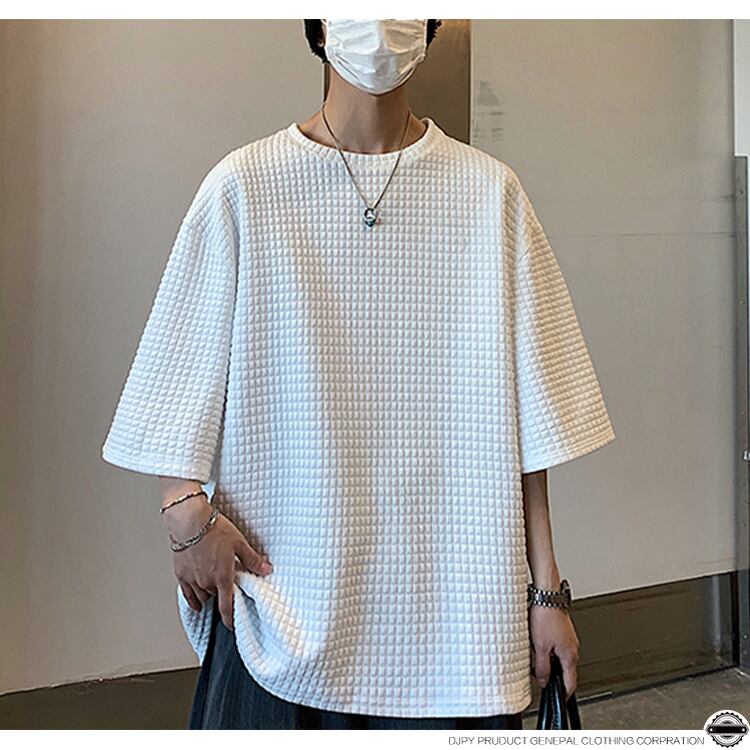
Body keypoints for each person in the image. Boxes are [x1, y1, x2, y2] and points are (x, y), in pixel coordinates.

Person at [101, 18, 616, 730]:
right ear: (316, 24)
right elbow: (174, 368)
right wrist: (185, 512)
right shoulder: (245, 187)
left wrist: (547, 593)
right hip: (282, 604)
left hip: (454, 622)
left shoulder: (491, 194)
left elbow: (532, 419)